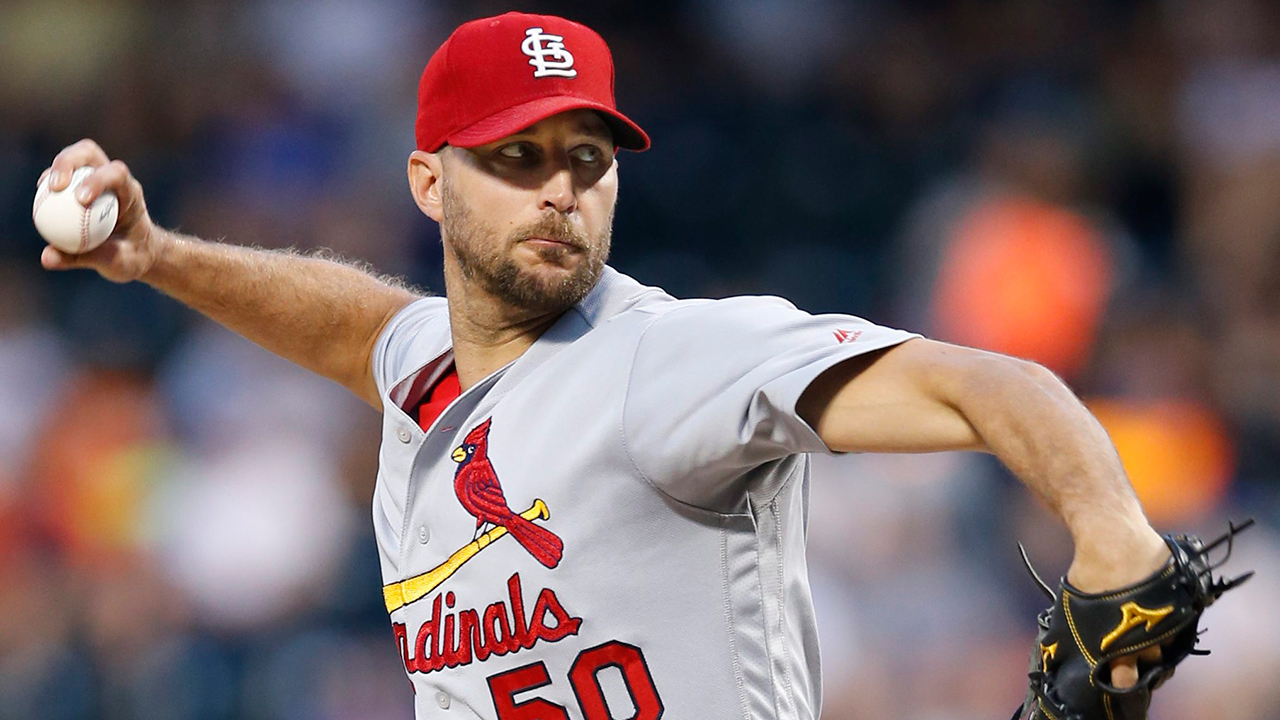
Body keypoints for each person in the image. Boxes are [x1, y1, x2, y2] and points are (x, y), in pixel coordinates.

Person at [40, 11, 1172, 720]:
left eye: (585, 158)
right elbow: (358, 326)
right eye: (515, 156)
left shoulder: (673, 360)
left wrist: (1112, 531)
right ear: (429, 184)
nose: (558, 188)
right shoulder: (428, 364)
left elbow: (988, 384)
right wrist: (161, 256)